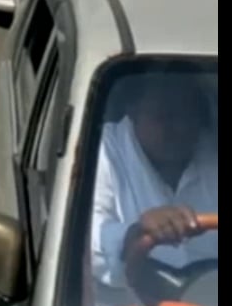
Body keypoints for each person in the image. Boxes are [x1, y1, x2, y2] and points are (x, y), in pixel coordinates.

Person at [91, 71, 218, 293]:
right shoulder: (100, 150)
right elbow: (84, 237)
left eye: (188, 115)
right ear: (133, 111)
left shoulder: (212, 150)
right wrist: (134, 234)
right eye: (165, 117)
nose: (179, 128)